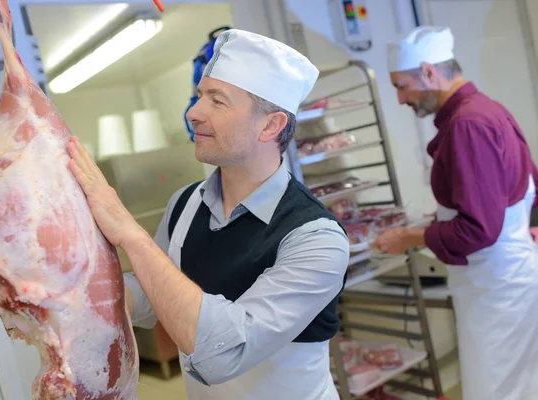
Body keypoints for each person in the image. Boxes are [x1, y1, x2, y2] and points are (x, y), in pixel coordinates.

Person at [66, 28, 349, 400]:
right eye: (200, 95)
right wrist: (71, 295)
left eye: (217, 100)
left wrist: (129, 233)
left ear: (270, 125)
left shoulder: (316, 239)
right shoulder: (186, 203)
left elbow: (225, 354)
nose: (192, 113)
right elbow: (154, 294)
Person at [374, 26, 538, 400]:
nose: (401, 99)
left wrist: (408, 238)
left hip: (497, 288)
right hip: (508, 277)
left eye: (402, 86)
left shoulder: (467, 124)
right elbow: (525, 184)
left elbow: (478, 229)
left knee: (498, 389)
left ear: (429, 73)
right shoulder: (486, 109)